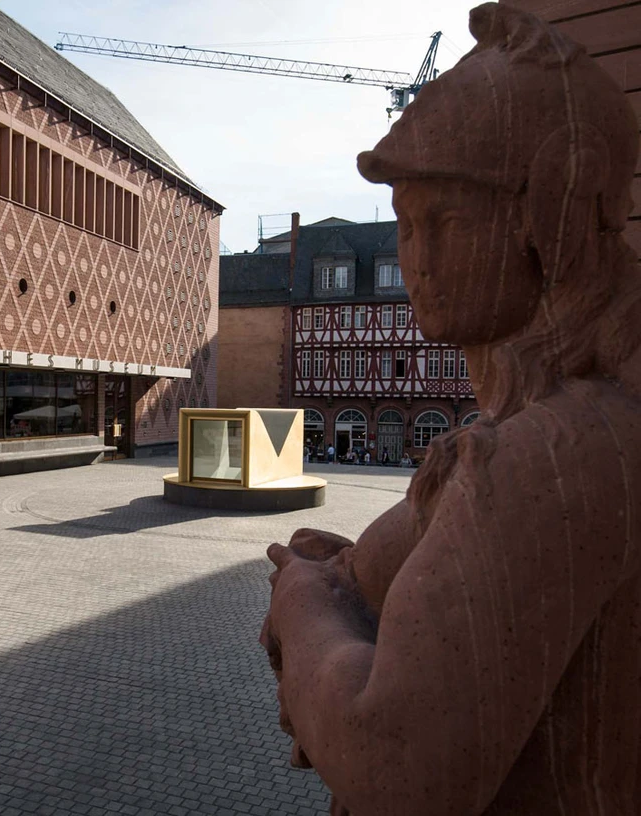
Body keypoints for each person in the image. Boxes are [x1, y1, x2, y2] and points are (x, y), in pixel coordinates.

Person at [261, 6, 641, 814]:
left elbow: (393, 761)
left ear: (555, 218)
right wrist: (369, 572)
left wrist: (304, 602)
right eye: (404, 226)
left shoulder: (557, 453)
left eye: (449, 222)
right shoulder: (553, 422)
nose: (417, 262)